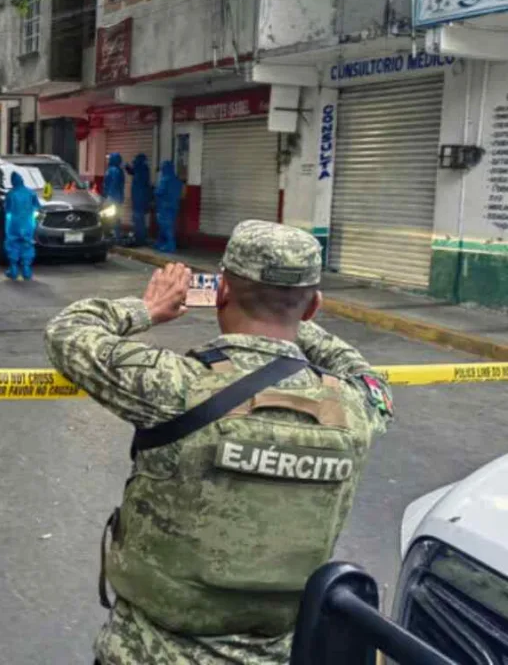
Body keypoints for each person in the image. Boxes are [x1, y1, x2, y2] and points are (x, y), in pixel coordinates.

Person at [44, 219, 394, 665]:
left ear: (221, 292)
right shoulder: (356, 407)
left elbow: (68, 331)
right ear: (314, 307)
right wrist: (291, 312)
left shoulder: (175, 386)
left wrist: (148, 308)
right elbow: (368, 376)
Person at [4, 170, 40, 281]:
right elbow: (37, 207)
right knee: (27, 244)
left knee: (13, 244)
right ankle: (26, 270)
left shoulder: (11, 194)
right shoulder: (31, 193)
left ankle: (13, 269)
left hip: (14, 223)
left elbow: (7, 209)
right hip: (28, 222)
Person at [153, 159, 183, 253]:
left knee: (166, 226)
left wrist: (154, 192)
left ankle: (170, 245)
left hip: (164, 206)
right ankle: (161, 243)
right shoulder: (177, 180)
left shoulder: (164, 179)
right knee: (167, 226)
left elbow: (159, 192)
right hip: (174, 206)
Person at [125, 153, 151, 246]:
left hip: (139, 199)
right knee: (139, 219)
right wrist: (127, 168)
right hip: (140, 199)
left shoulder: (141, 170)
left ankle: (140, 238)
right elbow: (132, 171)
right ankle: (140, 237)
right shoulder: (143, 169)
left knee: (138, 219)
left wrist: (128, 167)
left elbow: (134, 172)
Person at [102, 152, 126, 242]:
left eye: (109, 158)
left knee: (108, 216)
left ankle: (108, 235)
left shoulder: (111, 170)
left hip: (111, 197)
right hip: (118, 197)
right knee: (117, 217)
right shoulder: (120, 171)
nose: (108, 160)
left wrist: (107, 196)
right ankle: (117, 235)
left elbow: (109, 185)